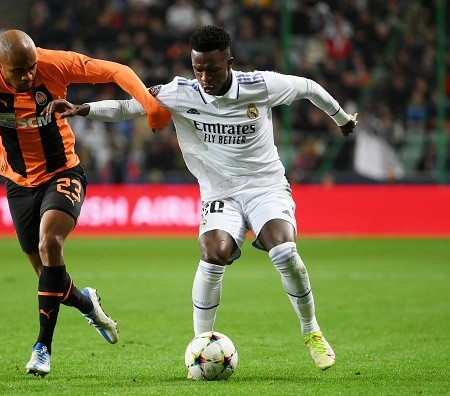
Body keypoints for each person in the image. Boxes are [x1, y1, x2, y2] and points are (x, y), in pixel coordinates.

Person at [46, 25, 357, 372]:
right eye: (198, 68)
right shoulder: (180, 92)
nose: (205, 77)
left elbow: (309, 88)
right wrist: (82, 108)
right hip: (219, 191)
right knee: (213, 253)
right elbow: (127, 107)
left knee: (283, 250)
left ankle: (310, 329)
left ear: (229, 62)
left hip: (264, 185)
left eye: (212, 68)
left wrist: (342, 120)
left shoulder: (260, 86)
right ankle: (200, 345)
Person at [0, 29, 171, 378]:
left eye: (31, 67)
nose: (28, 75)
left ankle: (42, 346)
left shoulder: (54, 63)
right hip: (18, 183)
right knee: (49, 278)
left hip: (64, 171)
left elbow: (115, 70)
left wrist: (150, 105)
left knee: (50, 242)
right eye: (18, 71)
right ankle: (87, 303)